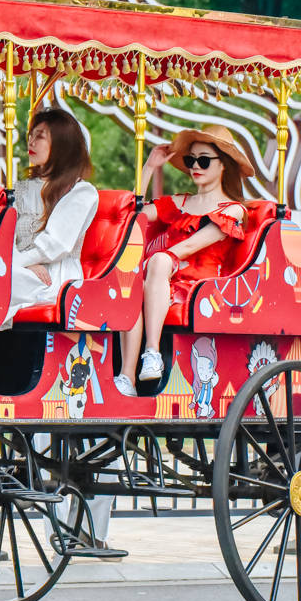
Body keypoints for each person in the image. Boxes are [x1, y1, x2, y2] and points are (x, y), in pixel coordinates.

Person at [116, 124, 252, 397]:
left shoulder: (233, 210)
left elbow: (190, 246)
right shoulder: (179, 202)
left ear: (223, 164)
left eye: (204, 160)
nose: (195, 167)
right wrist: (149, 168)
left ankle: (152, 352)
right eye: (191, 160)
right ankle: (127, 378)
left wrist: (156, 262)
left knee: (158, 262)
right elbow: (131, 214)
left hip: (201, 287)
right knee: (129, 283)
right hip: (162, 278)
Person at [2, 108, 98, 327]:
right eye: (31, 135)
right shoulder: (20, 188)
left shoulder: (81, 192)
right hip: (21, 268)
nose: (31, 142)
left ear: (62, 143)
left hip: (54, 275)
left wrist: (17, 263)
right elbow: (5, 234)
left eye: (40, 136)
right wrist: (17, 263)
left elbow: (55, 245)